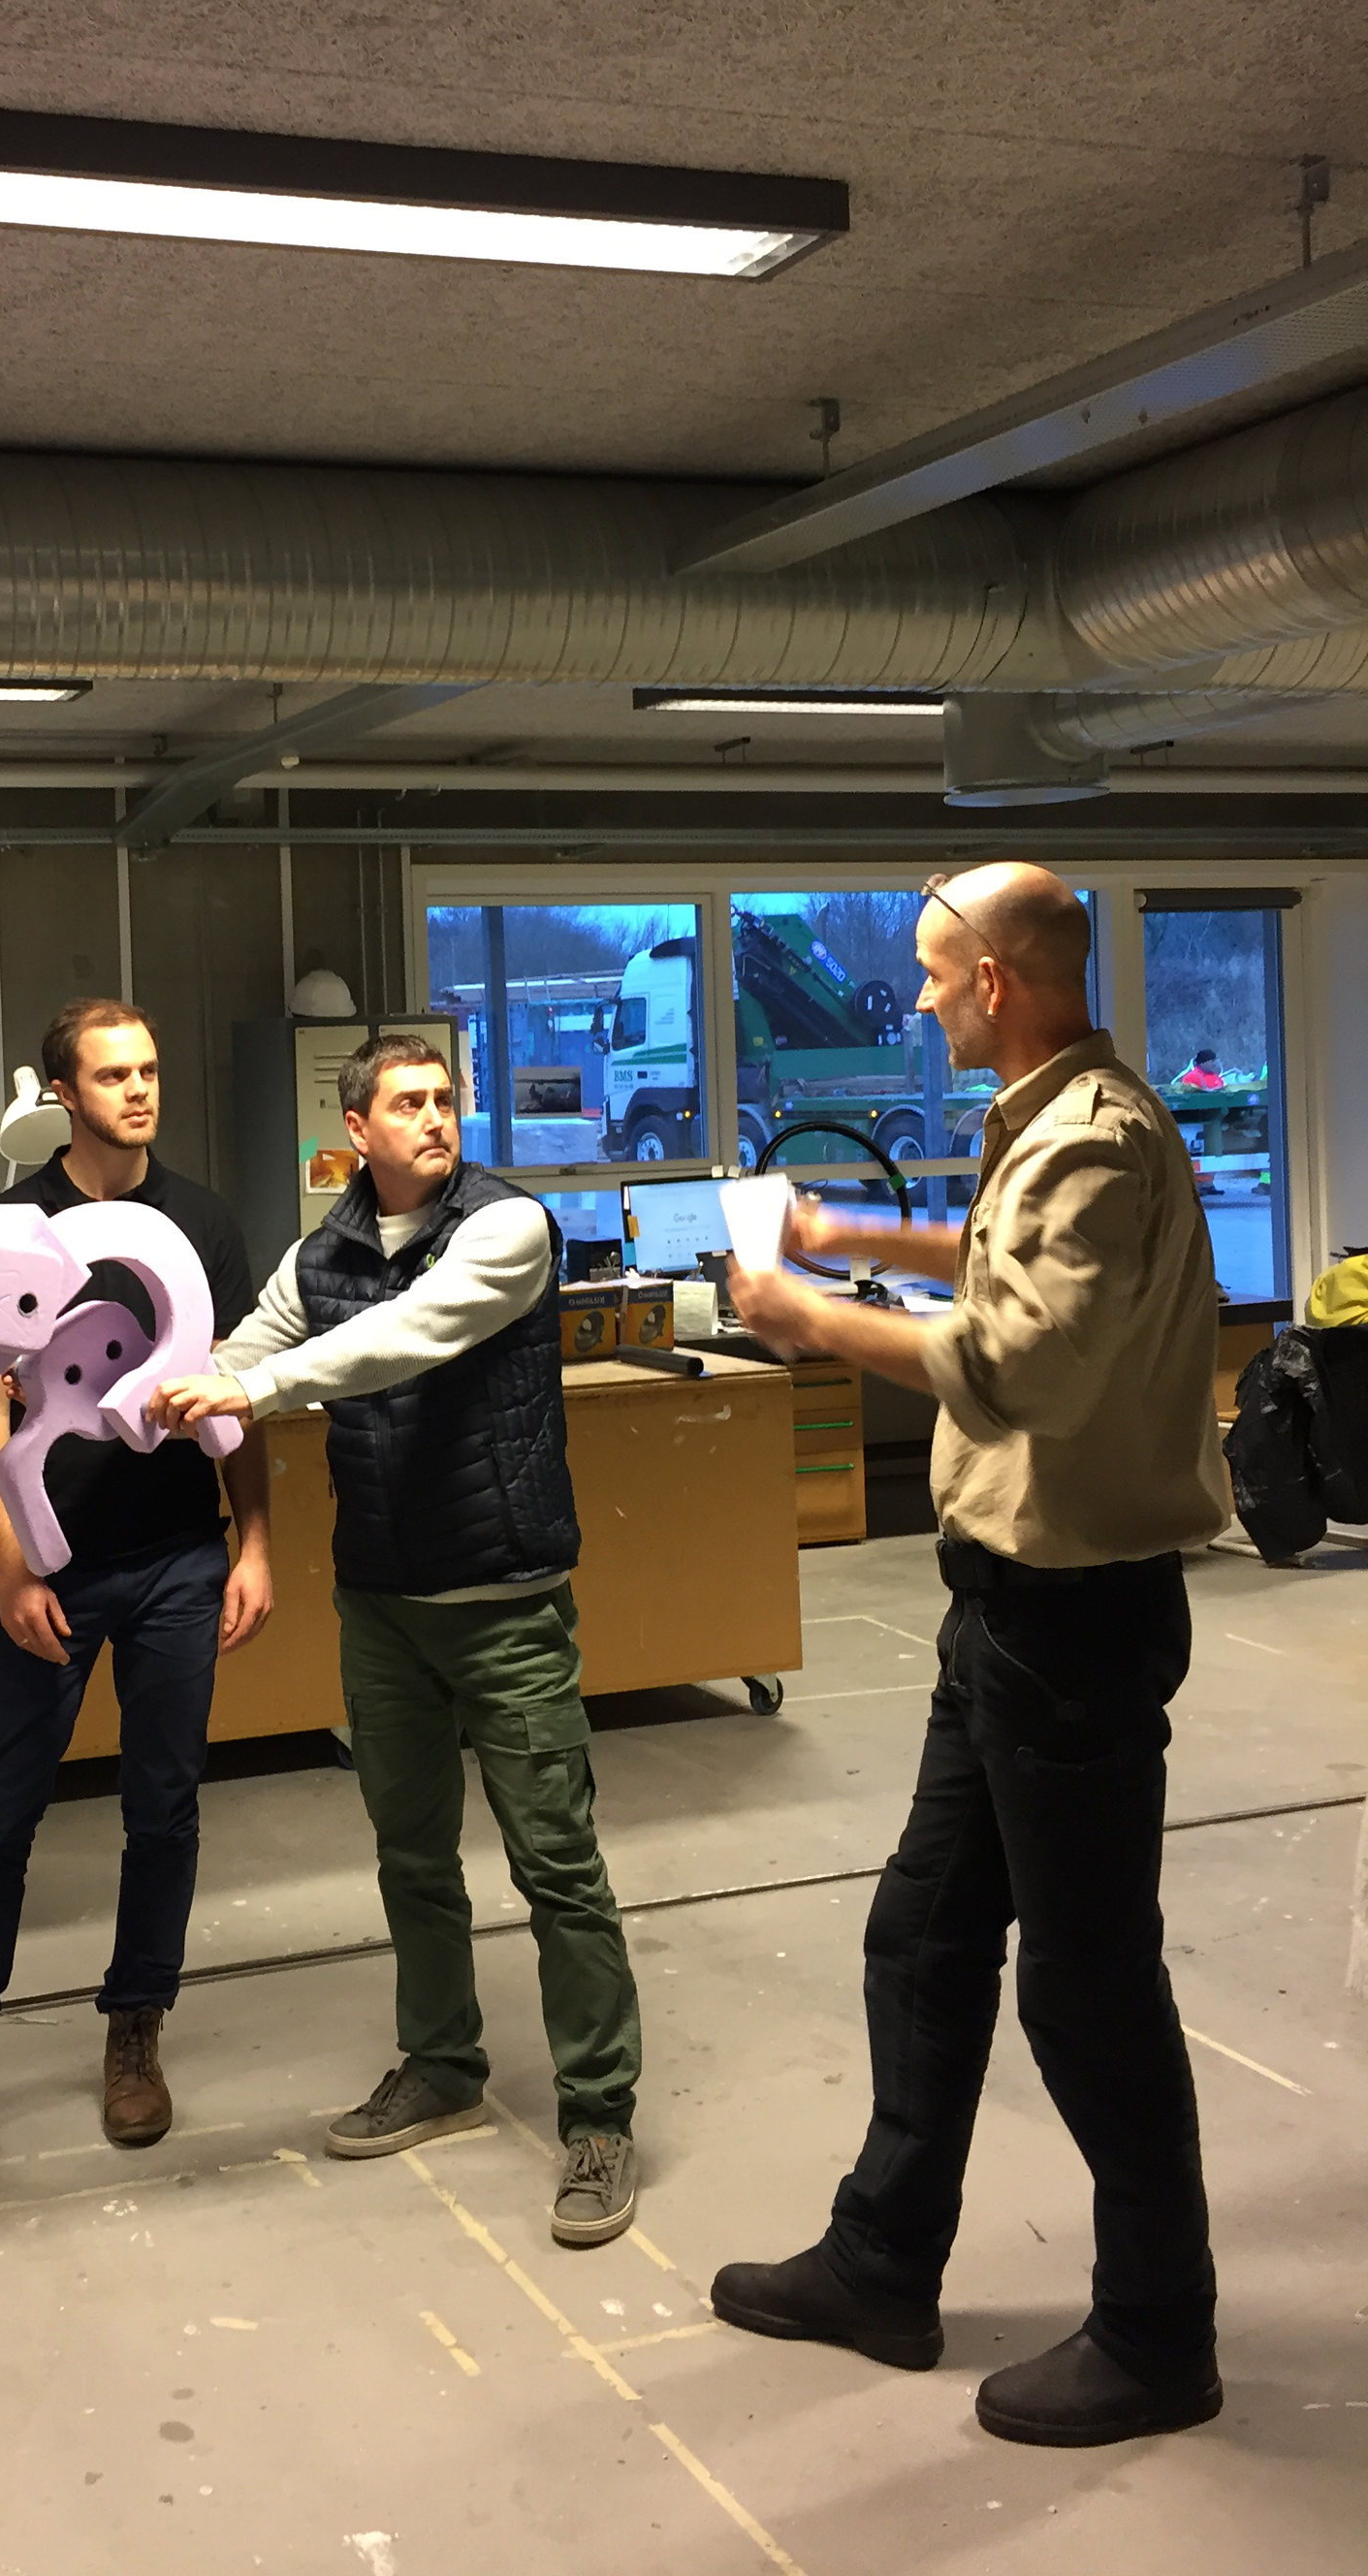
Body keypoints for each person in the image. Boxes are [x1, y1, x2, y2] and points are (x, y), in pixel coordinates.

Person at [715, 863, 1229, 2449]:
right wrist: (850, 1227)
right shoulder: (1044, 1116)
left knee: (1084, 1991)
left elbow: (1005, 1364)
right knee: (923, 1933)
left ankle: (1155, 2332)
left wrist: (803, 1309)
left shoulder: (1091, 1138)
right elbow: (997, 1272)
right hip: (998, 1607)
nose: (919, 997)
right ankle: (881, 2258)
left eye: (936, 976)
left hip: (1068, 1619)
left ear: (994, 982)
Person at [148, 1034, 643, 2247]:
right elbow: (253, 1342)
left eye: (445, 1100)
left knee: (557, 1869)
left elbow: (404, 1338)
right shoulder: (321, 1255)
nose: (435, 1119)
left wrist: (252, 1397)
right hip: (382, 1607)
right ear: (356, 1129)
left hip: (505, 1604)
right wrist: (156, 1389)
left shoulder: (506, 1227)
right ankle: (442, 2065)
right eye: (407, 1104)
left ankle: (600, 2117)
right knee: (411, 1858)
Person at [0, 1001, 271, 2177]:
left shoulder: (199, 1223)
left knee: (166, 1811)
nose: (138, 1091)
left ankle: (135, 2032)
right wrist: (10, 1559)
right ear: (62, 1093)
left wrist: (255, 1544)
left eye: (148, 1069)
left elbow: (236, 1400)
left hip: (179, 1562)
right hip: (54, 1566)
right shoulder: (15, 1226)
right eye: (111, 1075)